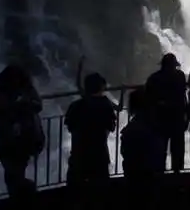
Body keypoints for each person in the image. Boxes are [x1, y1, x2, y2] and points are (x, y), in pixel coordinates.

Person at [0, 64, 43, 201]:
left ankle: (17, 198)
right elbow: (38, 105)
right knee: (16, 174)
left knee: (12, 176)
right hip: (22, 142)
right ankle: (21, 198)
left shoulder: (1, 93)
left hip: (10, 143)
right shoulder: (26, 91)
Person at [64, 71, 118, 206]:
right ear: (101, 87)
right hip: (99, 155)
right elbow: (111, 127)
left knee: (75, 193)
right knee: (99, 194)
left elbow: (70, 127)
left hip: (78, 155)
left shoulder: (75, 106)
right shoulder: (105, 105)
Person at [145, 52, 187, 172]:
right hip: (177, 118)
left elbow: (149, 99)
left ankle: (160, 175)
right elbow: (182, 96)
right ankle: (177, 176)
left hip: (159, 119)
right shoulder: (180, 76)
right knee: (177, 150)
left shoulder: (153, 78)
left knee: (159, 150)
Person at [120, 88, 162, 206]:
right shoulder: (155, 125)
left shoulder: (131, 129)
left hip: (133, 173)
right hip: (151, 172)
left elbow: (125, 152)